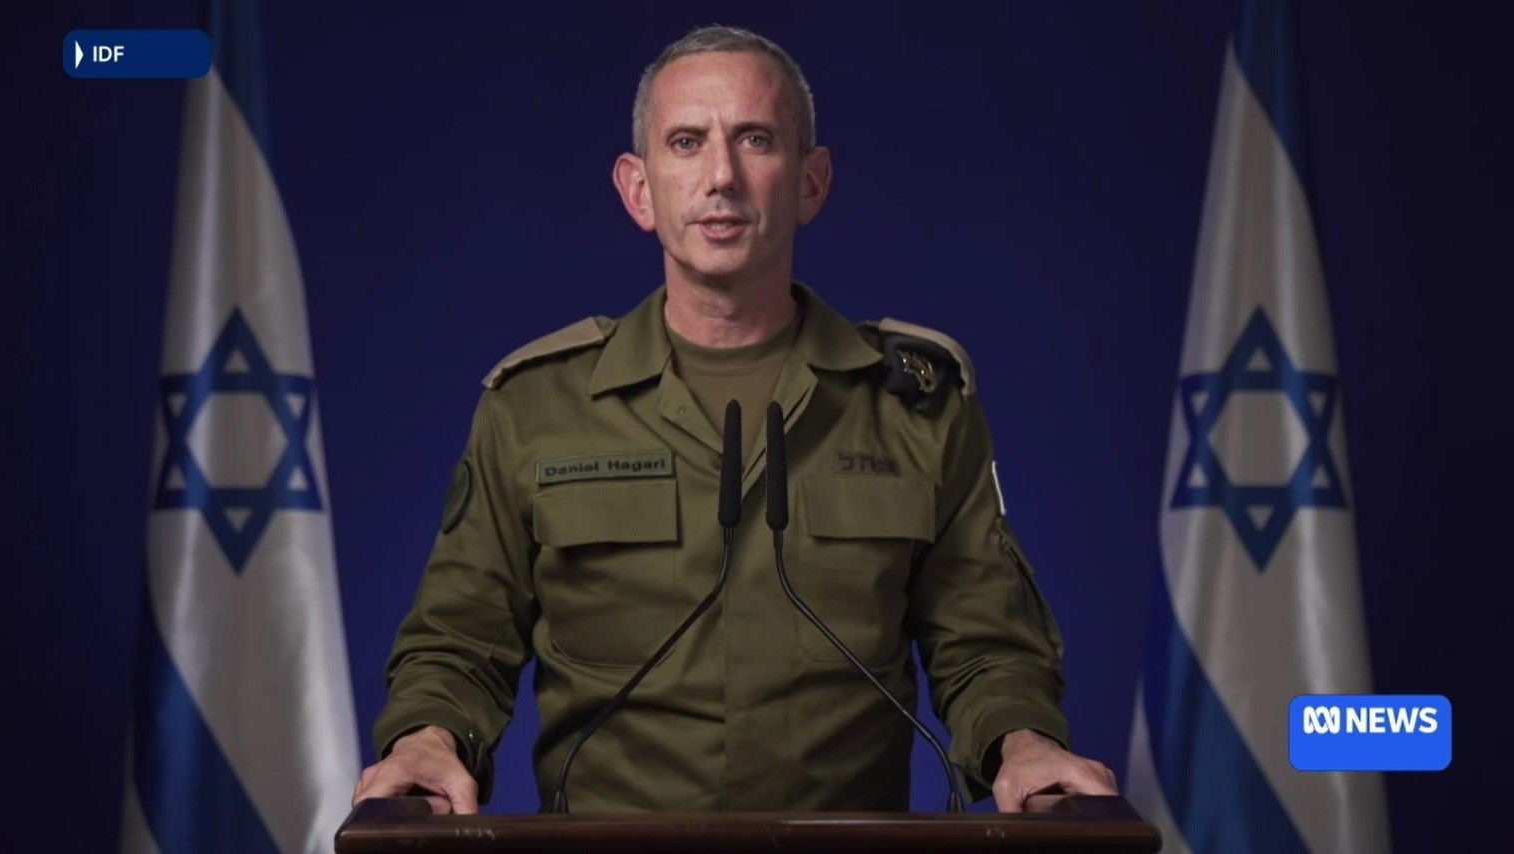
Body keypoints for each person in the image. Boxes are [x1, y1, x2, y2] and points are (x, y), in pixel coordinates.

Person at [353, 25, 1117, 815]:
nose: (720, 176)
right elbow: (460, 639)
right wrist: (427, 738)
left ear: (810, 182)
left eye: (754, 139)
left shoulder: (913, 405)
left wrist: (1023, 743)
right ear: (638, 189)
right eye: (686, 142)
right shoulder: (533, 406)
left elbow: (984, 643)